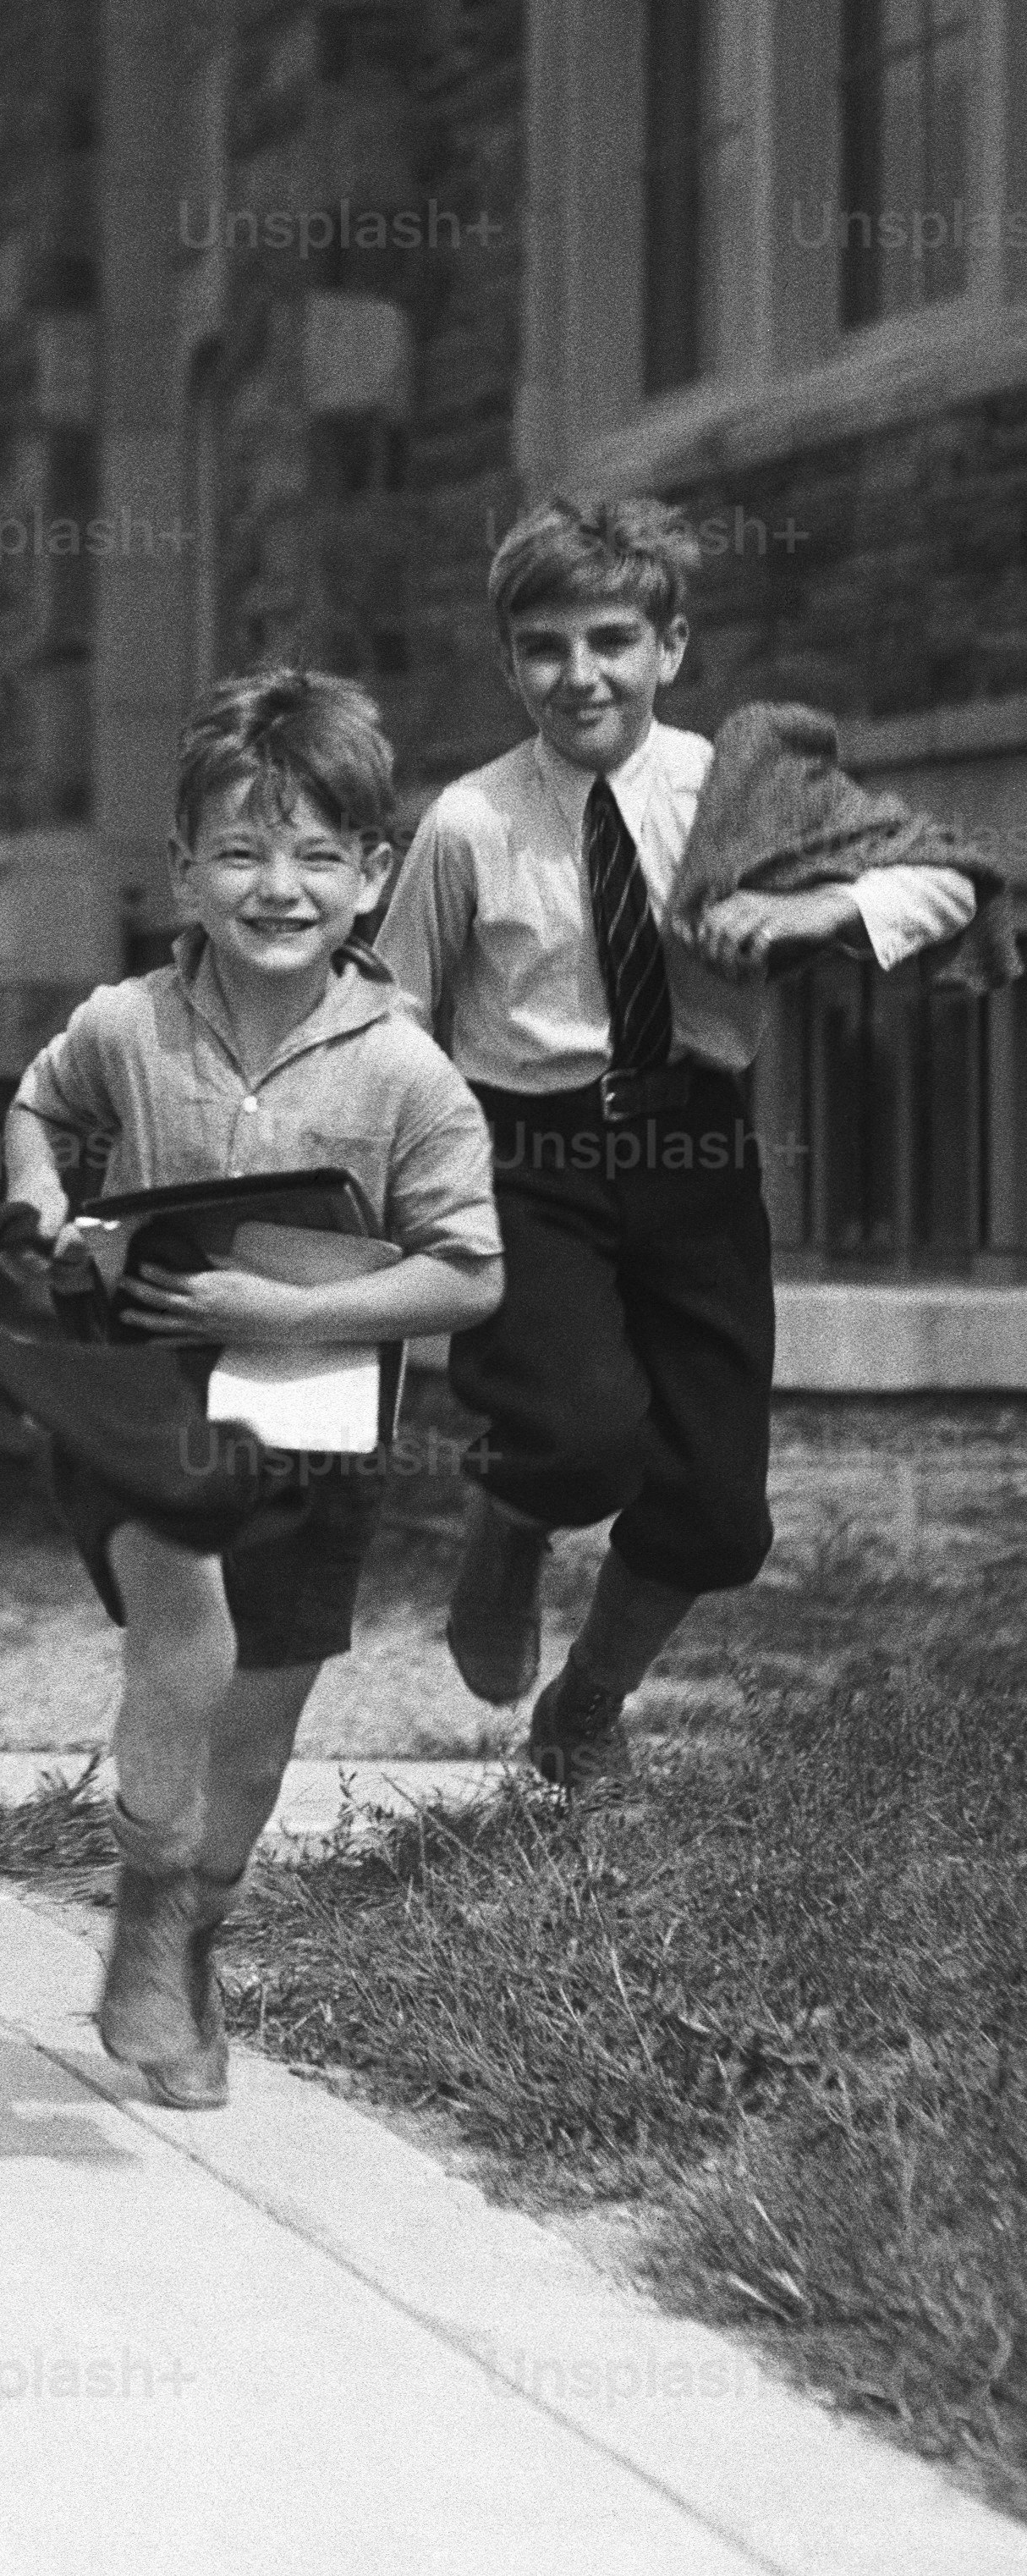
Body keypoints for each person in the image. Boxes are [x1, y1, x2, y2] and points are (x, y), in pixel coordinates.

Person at [377, 498, 975, 1785]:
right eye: (544, 647)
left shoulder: (738, 791)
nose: (579, 675)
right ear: (507, 664)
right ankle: (509, 1528)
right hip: (523, 1155)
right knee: (578, 1433)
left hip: (695, 1150)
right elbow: (395, 1013)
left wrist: (811, 904)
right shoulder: (470, 823)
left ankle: (590, 1703)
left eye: (610, 640)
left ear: (672, 647)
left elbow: (946, 878)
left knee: (715, 1506)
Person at [2, 669, 503, 2107]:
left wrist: (290, 1305)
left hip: (315, 1429)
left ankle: (197, 1924)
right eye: (239, 851)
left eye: (316, 857)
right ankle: (150, 1898)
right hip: (142, 1405)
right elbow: (39, 1104)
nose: (276, 886)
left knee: (260, 1726)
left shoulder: (413, 1077)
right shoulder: (126, 1024)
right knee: (185, 1615)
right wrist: (43, 1197)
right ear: (182, 869)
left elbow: (469, 1276)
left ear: (373, 879)